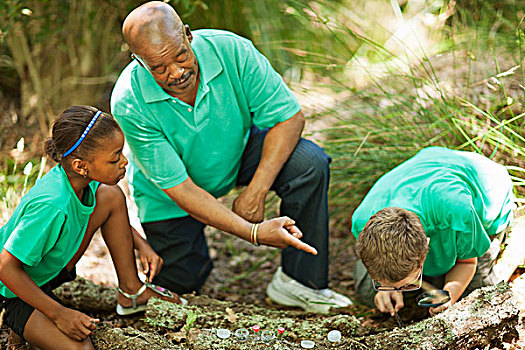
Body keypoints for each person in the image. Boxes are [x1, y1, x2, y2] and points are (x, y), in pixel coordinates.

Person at [110, 1, 351, 313]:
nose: (176, 72)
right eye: (158, 67)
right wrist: (252, 232)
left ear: (187, 35)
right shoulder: (128, 101)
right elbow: (180, 189)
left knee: (309, 163)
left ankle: (300, 282)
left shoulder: (233, 51)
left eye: (180, 56)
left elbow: (289, 117)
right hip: (171, 195)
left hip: (236, 152)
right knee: (184, 280)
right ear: (138, 61)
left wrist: (257, 190)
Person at [0, 106, 180, 350]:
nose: (124, 162)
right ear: (80, 165)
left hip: (48, 273)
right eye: (115, 158)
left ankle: (131, 291)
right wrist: (58, 313)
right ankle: (16, 322)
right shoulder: (51, 205)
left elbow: (110, 211)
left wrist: (141, 244)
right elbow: (5, 267)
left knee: (111, 196)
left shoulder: (82, 181)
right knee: (81, 348)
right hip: (12, 292)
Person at [351, 146, 515, 318]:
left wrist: (450, 296)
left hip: (485, 198)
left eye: (406, 283)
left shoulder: (458, 211)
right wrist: (386, 289)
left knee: (472, 300)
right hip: (426, 170)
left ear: (427, 246)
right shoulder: (362, 221)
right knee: (368, 293)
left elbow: (467, 263)